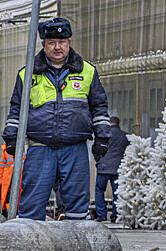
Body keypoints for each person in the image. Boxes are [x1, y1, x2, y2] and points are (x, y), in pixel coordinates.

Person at [2, 18, 111, 221]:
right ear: (43, 45)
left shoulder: (87, 72)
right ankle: (30, 248)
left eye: (62, 41)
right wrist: (11, 137)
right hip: (40, 147)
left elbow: (99, 108)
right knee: (31, 205)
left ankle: (77, 248)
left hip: (75, 148)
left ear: (69, 42)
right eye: (51, 42)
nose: (57, 47)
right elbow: (16, 109)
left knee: (77, 207)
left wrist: (102, 138)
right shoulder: (27, 75)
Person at [94, 116, 128, 222]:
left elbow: (95, 148)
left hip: (103, 167)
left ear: (109, 123)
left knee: (99, 191)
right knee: (117, 192)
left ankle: (101, 215)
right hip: (118, 168)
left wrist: (99, 160)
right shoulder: (125, 136)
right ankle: (115, 215)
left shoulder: (104, 134)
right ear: (118, 124)